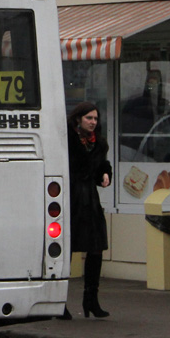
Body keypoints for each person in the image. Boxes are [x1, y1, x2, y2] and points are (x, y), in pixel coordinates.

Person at [67, 102, 112, 318]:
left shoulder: (99, 144)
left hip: (90, 201)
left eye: (95, 119)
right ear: (78, 119)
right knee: (64, 250)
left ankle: (91, 300)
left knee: (96, 248)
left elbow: (101, 166)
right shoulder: (67, 139)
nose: (93, 122)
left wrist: (105, 174)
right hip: (69, 199)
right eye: (89, 118)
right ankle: (59, 302)